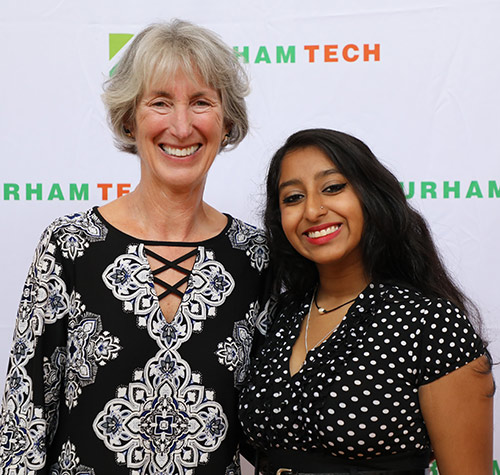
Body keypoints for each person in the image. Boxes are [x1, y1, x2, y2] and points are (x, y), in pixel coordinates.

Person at [0, 20, 271, 474]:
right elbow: (24, 420)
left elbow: (274, 424)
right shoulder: (70, 245)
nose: (181, 126)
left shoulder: (257, 256)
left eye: (201, 102)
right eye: (160, 102)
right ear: (130, 118)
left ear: (226, 122)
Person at [239, 128, 493, 475]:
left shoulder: (429, 322)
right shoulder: (282, 315)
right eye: (293, 197)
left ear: (370, 197)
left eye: (332, 188)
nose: (312, 210)